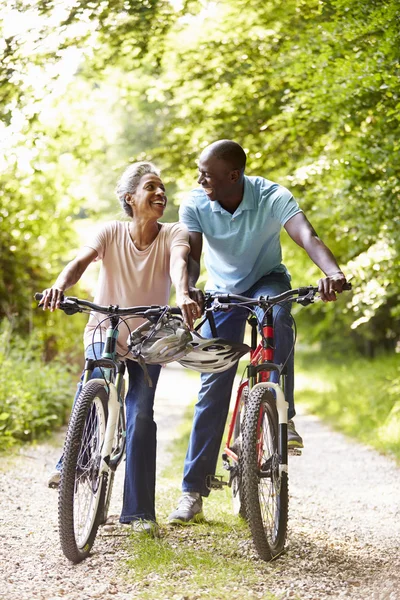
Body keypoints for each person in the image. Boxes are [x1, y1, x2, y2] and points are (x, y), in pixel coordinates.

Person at [168, 139, 348, 525]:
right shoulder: (196, 203)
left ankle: (284, 410)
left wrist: (331, 272)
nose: (200, 179)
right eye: (200, 171)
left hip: (267, 280)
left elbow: (306, 236)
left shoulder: (271, 195)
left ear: (234, 175)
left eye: (207, 173)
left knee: (278, 315)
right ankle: (192, 491)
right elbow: (192, 257)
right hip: (222, 290)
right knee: (212, 387)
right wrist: (187, 290)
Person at [40, 161, 200, 537]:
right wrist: (59, 286)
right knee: (96, 377)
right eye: (151, 187)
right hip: (105, 327)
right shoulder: (110, 232)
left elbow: (180, 264)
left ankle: (139, 512)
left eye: (163, 189)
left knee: (141, 414)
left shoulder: (174, 233)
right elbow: (79, 262)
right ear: (130, 198)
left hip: (149, 338)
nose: (160, 194)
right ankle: (72, 461)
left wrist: (183, 293)